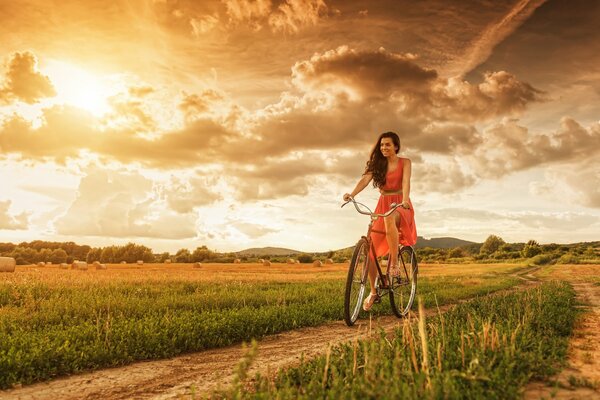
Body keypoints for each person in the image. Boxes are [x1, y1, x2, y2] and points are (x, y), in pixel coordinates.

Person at [343, 132, 417, 311]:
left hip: (400, 203)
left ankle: (393, 264)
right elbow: (365, 180)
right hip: (382, 203)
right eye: (382, 145)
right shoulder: (378, 164)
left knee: (390, 218)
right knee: (370, 253)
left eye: (388, 145)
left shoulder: (405, 162)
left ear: (396, 147)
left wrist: (405, 199)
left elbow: (406, 181)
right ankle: (374, 291)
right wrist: (352, 194)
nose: (384, 148)